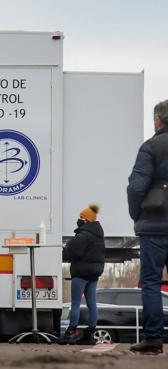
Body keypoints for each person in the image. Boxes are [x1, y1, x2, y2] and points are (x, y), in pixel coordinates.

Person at [127, 99, 168, 355]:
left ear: (158, 120)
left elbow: (136, 187)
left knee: (151, 282)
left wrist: (137, 215)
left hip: (154, 226)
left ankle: (153, 339)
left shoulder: (151, 146)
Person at [59, 204, 105, 345]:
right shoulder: (99, 236)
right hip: (94, 274)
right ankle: (90, 334)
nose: (79, 220)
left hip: (81, 273)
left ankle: (70, 333)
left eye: (81, 217)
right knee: (92, 303)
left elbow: (71, 251)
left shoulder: (83, 235)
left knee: (76, 303)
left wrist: (66, 248)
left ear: (87, 220)